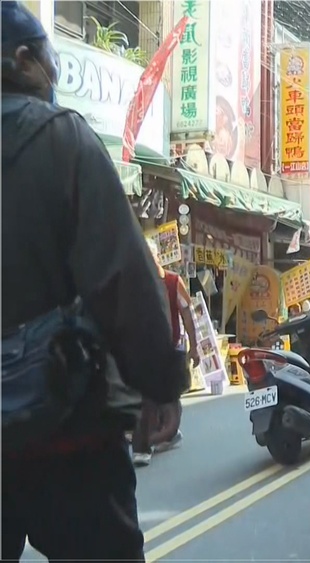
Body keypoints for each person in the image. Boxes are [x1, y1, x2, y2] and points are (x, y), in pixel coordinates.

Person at [1, 4, 189, 558]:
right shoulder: (63, 142)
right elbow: (124, 281)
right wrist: (160, 383)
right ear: (23, 61)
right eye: (50, 58)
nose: (56, 72)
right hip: (68, 432)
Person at [132, 240, 201, 467]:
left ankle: (160, 437)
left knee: (169, 396)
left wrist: (194, 346)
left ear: (157, 258)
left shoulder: (173, 281)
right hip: (144, 348)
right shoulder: (137, 282)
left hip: (170, 348)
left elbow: (187, 314)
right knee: (148, 398)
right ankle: (145, 444)